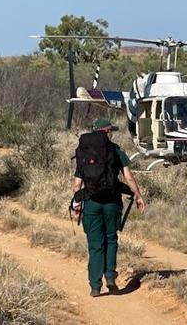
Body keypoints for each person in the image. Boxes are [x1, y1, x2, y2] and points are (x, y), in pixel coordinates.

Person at [72, 118, 145, 297]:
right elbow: (128, 177)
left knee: (95, 244)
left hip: (92, 202)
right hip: (112, 202)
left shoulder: (84, 151)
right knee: (111, 239)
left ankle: (95, 286)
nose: (111, 133)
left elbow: (77, 185)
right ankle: (110, 276)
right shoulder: (116, 151)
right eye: (110, 130)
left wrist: (76, 204)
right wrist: (138, 195)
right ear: (106, 131)